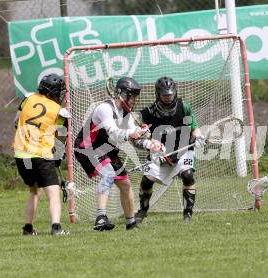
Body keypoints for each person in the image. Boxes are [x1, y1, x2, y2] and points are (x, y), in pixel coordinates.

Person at [74, 77, 159, 231]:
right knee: (108, 174)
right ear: (121, 94)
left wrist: (150, 145)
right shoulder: (105, 108)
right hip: (88, 147)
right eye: (131, 96)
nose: (134, 100)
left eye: (135, 97)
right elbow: (114, 133)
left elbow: (134, 140)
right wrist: (134, 132)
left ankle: (131, 223)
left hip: (107, 150)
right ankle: (100, 218)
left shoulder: (127, 114)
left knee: (125, 184)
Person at [135, 76, 206, 223]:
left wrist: (198, 137)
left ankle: (187, 214)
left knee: (187, 175)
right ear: (157, 94)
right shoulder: (148, 113)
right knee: (147, 181)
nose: (168, 98)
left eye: (170, 94)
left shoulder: (184, 107)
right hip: (159, 154)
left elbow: (194, 127)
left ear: (175, 92)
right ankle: (143, 210)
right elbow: (138, 134)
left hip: (183, 149)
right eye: (164, 95)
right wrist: (152, 144)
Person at [12, 73, 70, 235]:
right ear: (54, 92)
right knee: (53, 191)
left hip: (21, 153)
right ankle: (56, 227)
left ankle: (28, 228)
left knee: (34, 190)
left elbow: (16, 123)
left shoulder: (28, 99)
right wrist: (58, 155)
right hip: (41, 154)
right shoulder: (57, 110)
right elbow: (59, 135)